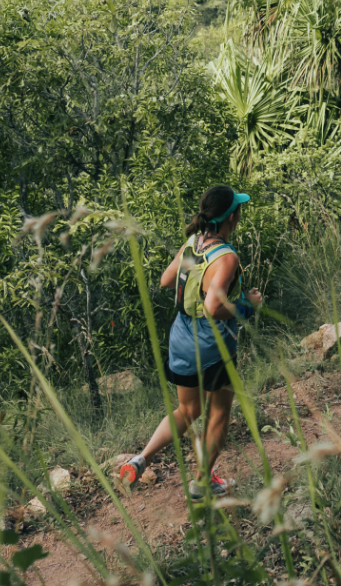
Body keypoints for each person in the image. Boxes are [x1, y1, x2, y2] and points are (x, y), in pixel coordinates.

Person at [119, 186, 263, 500]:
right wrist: (247, 306)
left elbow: (166, 279)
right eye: (238, 209)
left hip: (181, 338)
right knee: (218, 414)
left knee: (187, 409)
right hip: (213, 345)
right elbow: (213, 308)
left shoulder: (193, 244)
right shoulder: (226, 257)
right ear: (231, 217)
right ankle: (201, 484)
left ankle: (140, 459)